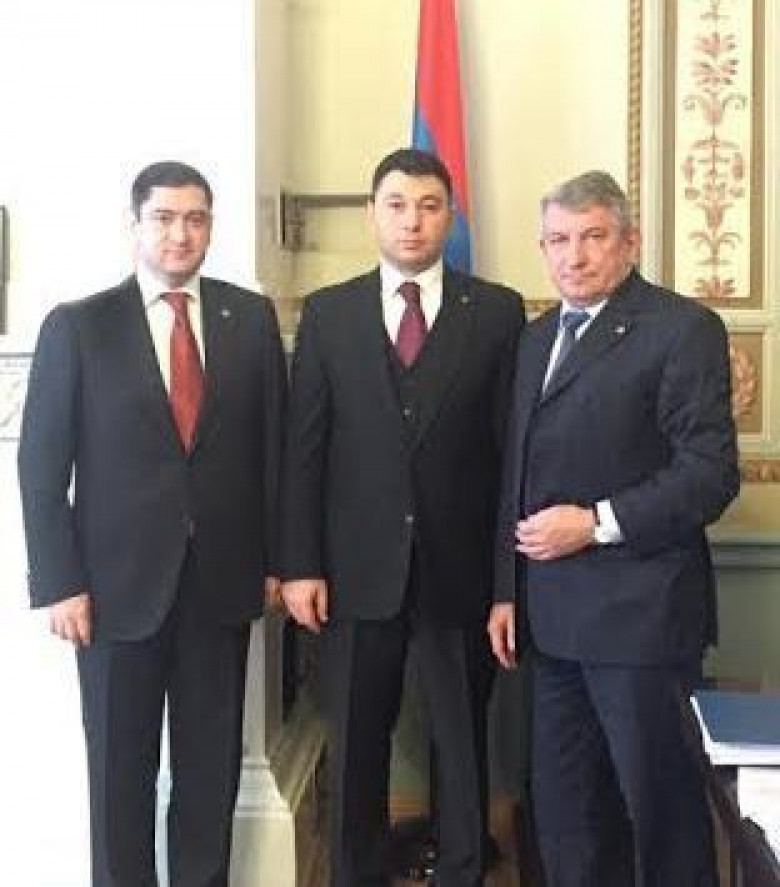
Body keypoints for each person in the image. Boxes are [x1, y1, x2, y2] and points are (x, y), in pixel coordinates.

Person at [17, 160, 286, 887]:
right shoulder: (81, 326)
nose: (180, 234)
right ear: (134, 224)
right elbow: (41, 468)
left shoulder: (249, 319)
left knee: (209, 773)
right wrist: (60, 583)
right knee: (119, 774)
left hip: (221, 584)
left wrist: (277, 560)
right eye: (164, 218)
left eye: (195, 219)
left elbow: (274, 452)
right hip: (111, 593)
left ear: (210, 228)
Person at [280, 147, 525, 887]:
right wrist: (300, 564)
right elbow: (304, 451)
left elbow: (512, 458)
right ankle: (354, 872)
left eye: (428, 205)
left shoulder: (497, 312)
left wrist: (507, 582)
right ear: (372, 214)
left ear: (450, 217)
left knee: (462, 738)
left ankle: (462, 870)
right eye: (396, 204)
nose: (412, 220)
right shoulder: (329, 314)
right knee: (357, 740)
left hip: (462, 572)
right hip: (354, 572)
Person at [488, 170, 740, 887]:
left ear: (630, 242)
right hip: (549, 622)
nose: (575, 255)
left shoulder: (681, 329)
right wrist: (506, 590)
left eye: (593, 236)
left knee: (661, 815)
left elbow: (709, 474)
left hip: (642, 623)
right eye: (558, 240)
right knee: (567, 816)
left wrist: (596, 523)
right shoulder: (536, 338)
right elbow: (517, 471)